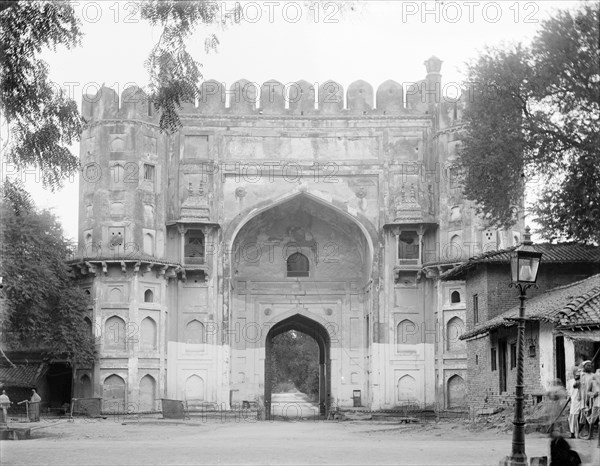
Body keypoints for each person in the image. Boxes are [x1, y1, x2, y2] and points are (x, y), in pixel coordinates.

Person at [567, 368, 582, 438]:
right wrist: (569, 397)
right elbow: (570, 392)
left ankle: (575, 433)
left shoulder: (582, 381)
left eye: (579, 374)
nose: (578, 375)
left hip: (581, 401)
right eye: (576, 374)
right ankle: (573, 433)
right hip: (574, 401)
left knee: (577, 417)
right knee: (572, 417)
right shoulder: (570, 382)